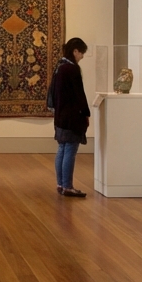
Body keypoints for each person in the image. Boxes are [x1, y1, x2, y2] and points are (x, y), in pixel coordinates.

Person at [49, 37, 90, 198]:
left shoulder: (60, 67)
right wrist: (86, 113)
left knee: (62, 149)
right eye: (81, 53)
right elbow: (79, 95)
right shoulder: (72, 69)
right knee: (70, 150)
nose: (82, 56)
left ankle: (61, 184)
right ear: (75, 51)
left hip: (60, 115)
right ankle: (67, 186)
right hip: (72, 117)